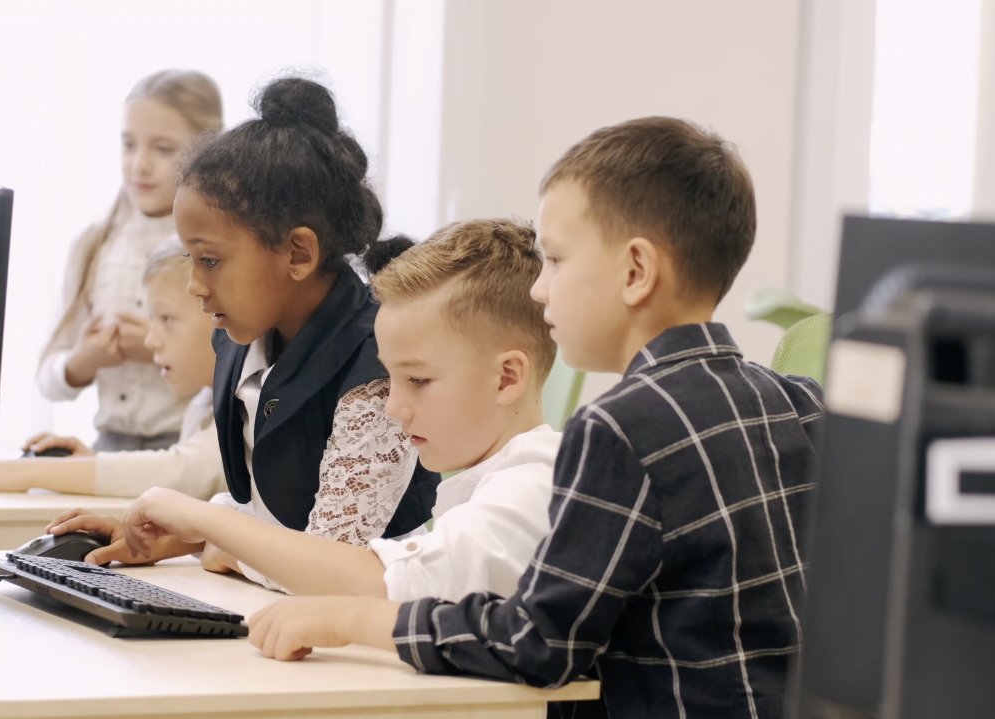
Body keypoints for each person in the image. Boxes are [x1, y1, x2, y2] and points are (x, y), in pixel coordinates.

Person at [245, 117, 826, 719]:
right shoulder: (800, 402)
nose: (541, 290)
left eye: (555, 260)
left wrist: (354, 617)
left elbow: (541, 641)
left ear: (635, 272)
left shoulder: (622, 431)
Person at [44, 77, 439, 579]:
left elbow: (334, 566)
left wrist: (220, 541)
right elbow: (269, 511)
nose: (194, 285)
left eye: (210, 260)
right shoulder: (245, 342)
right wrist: (184, 539)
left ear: (298, 252)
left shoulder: (378, 364)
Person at [51, 219, 559, 600]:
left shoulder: (532, 490)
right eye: (395, 379)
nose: (397, 410)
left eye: (418, 381)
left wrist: (201, 520)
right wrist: (196, 537)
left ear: (507, 378)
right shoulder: (477, 489)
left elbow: (366, 580)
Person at [37, 69, 223, 451]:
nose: (139, 164)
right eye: (128, 144)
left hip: (193, 448)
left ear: (209, 150)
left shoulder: (222, 248)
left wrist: (158, 346)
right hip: (105, 447)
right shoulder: (94, 244)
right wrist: (83, 361)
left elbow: (250, 369)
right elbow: (47, 375)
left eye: (163, 148)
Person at [0, 238, 225, 505]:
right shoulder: (203, 404)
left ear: (221, 313)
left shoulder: (247, 402)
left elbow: (187, 473)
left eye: (166, 318)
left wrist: (29, 473)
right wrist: (90, 461)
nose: (150, 340)